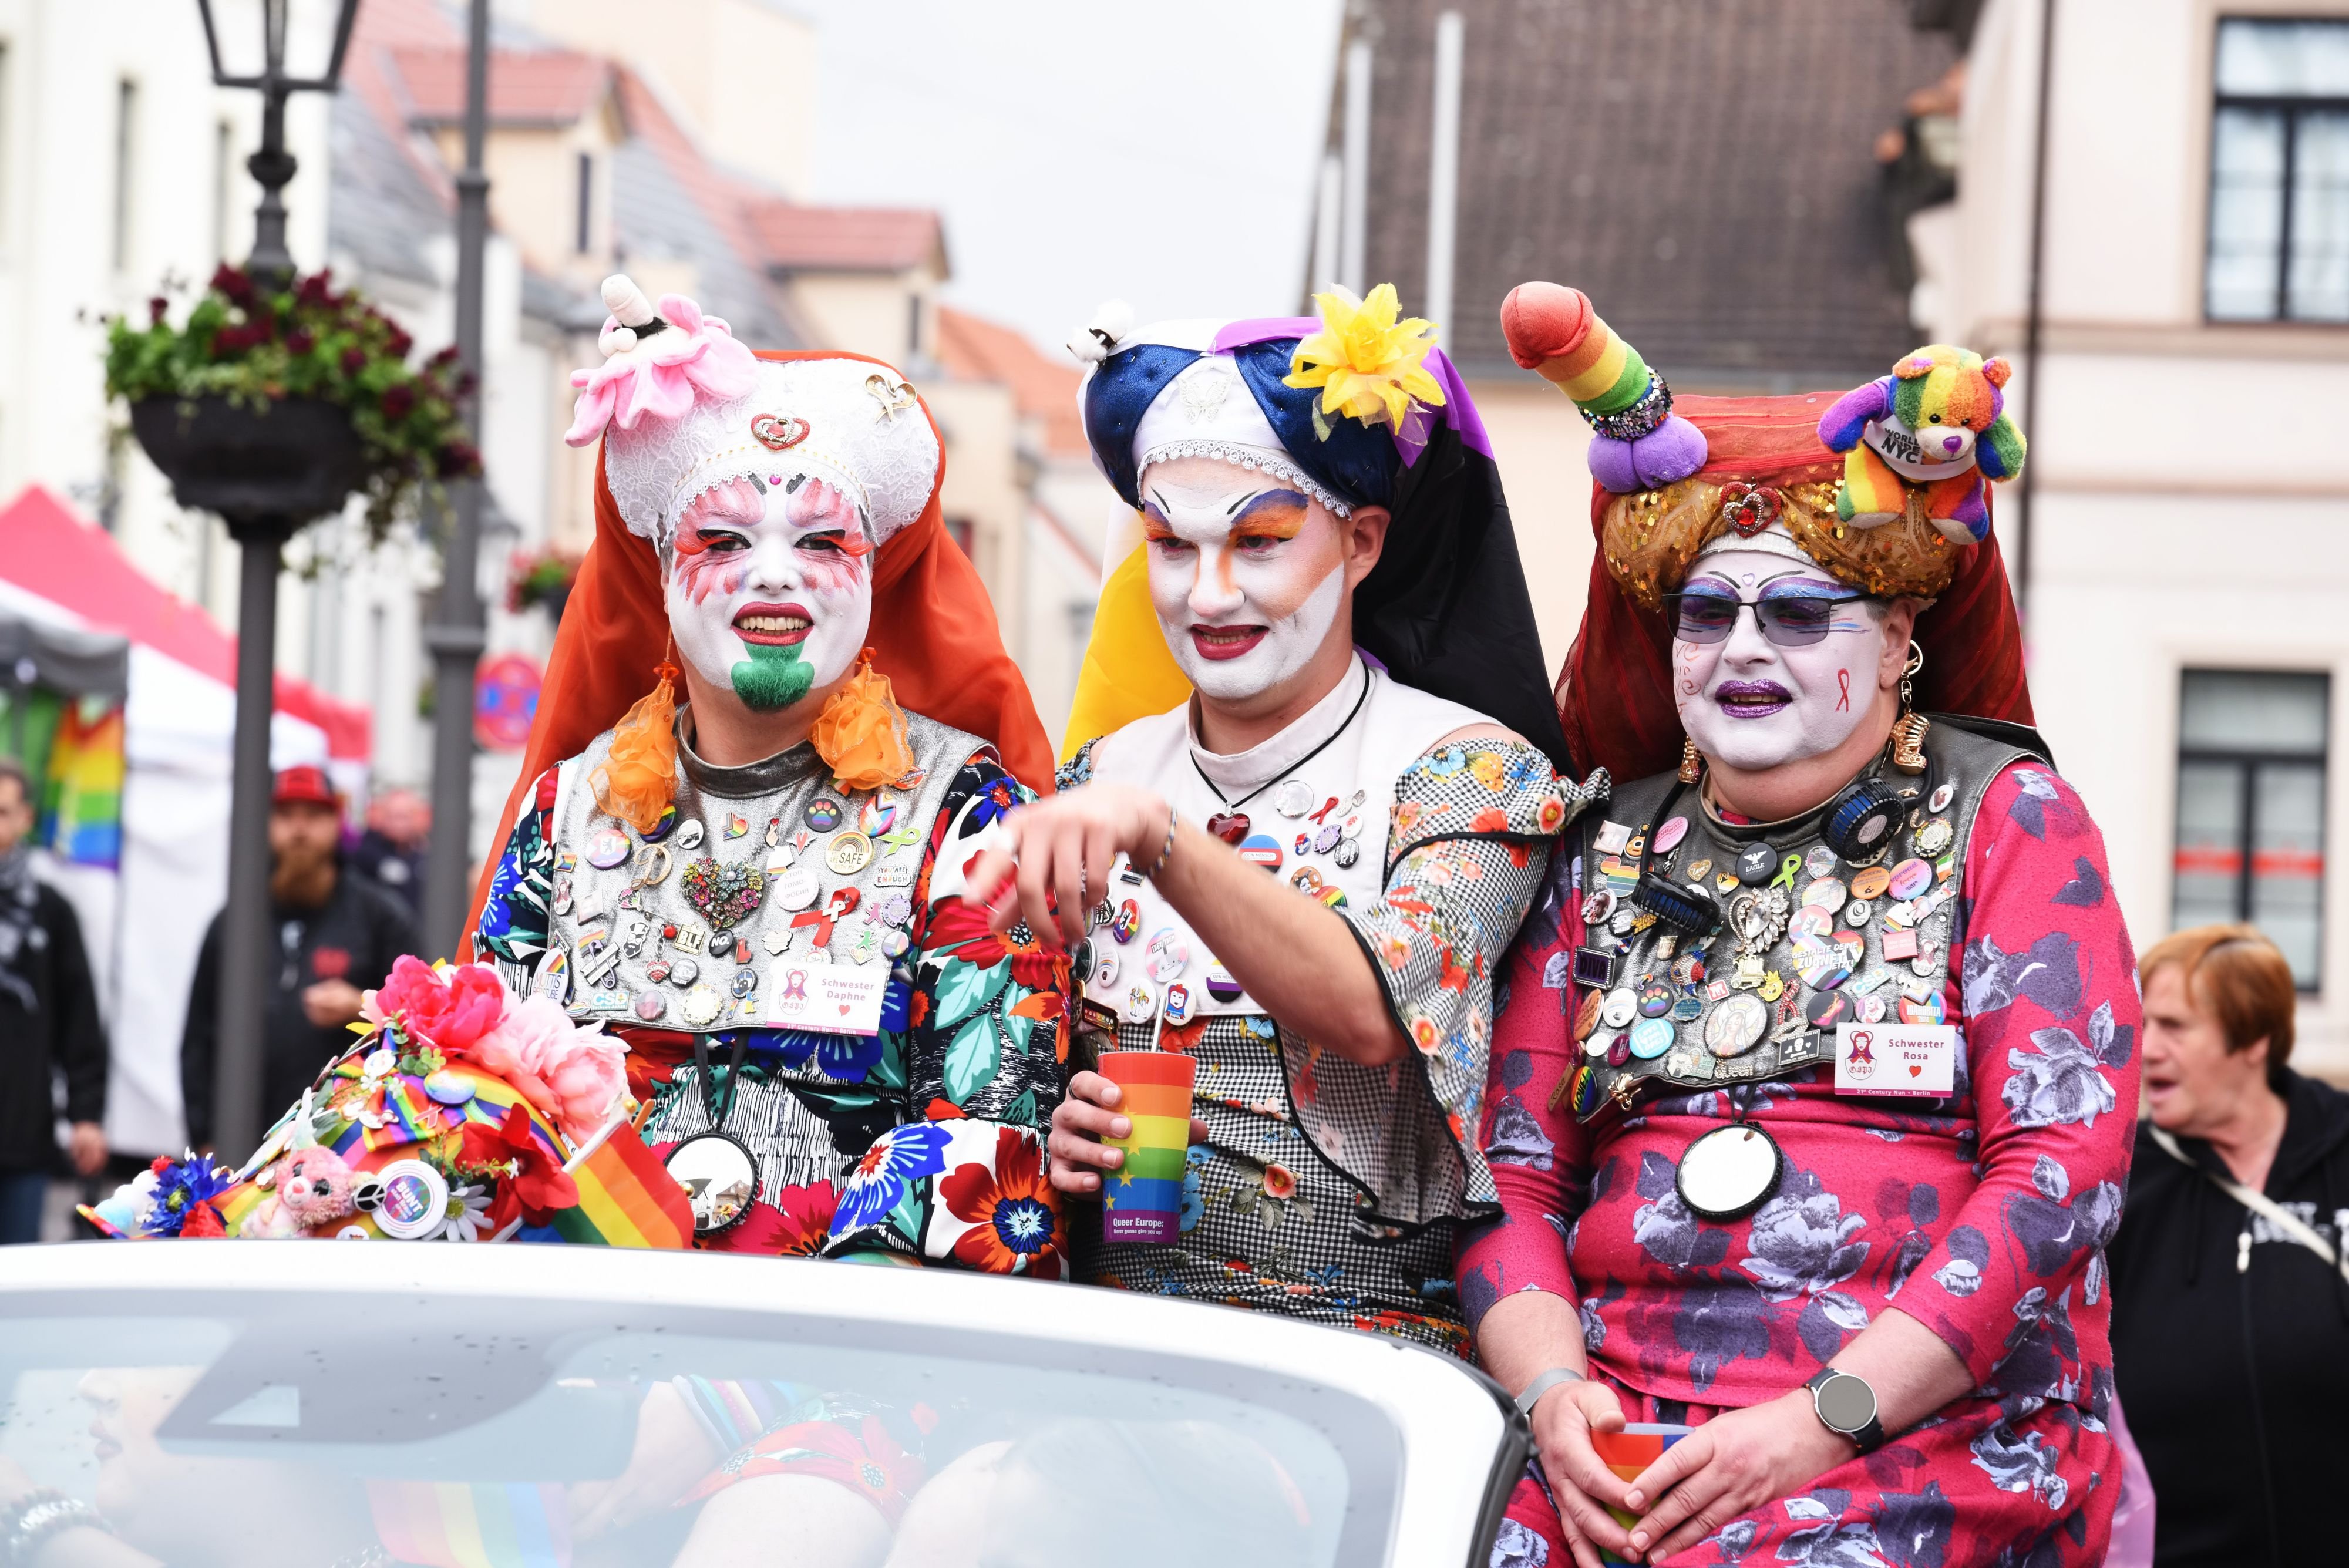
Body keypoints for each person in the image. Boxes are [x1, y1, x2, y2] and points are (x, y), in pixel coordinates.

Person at [1462, 283, 2139, 1567]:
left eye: (1796, 612)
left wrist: (1819, 1424)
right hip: (1613, 1437)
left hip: (1911, 1436)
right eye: (1705, 614)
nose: (1739, 650)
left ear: (1898, 640)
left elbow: (2058, 1174)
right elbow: (1512, 1171)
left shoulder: (2011, 818)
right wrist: (1553, 1406)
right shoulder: (1603, 838)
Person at [987, 285, 1586, 1354]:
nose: (1209, 595)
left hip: (1366, 1348)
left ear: (1361, 542)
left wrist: (1161, 842)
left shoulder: (1470, 770)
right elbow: (1017, 1051)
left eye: (1259, 543)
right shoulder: (1101, 773)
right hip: (1112, 1338)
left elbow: (1372, 1010)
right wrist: (1058, 1132)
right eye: (1173, 548)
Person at [470, 275, 1069, 1273]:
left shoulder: (973, 827)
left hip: (848, 1387)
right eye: (724, 541)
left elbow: (986, 1153)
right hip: (573, 1357)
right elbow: (482, 1107)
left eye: (823, 542)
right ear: (661, 572)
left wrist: (745, 1402)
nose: (775, 575)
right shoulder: (564, 815)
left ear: (874, 578)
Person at [2108, 923, 2348, 1568]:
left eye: (2174, 1027)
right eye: (2142, 1023)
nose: (2146, 1049)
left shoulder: (2341, 1152)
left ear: (2253, 1038)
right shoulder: (2119, 1180)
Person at [180, 764, 414, 1151]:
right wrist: (203, 1136)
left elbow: (422, 1021)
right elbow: (198, 1036)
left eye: (314, 816)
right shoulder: (234, 921)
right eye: (286, 816)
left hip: (346, 1141)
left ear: (337, 823)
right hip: (243, 1141)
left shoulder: (380, 917)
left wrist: (363, 1006)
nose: (300, 830)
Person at [0, 757, 107, 1243]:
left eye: (2, 812)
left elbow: (79, 1019)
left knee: (17, 1288)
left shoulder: (50, 911)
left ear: (25, 819)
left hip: (24, 1133)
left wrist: (86, 1114)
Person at [349, 783, 429, 918]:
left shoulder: (425, 855)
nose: (399, 824)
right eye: (393, 816)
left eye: (404, 816)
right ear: (381, 816)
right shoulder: (366, 853)